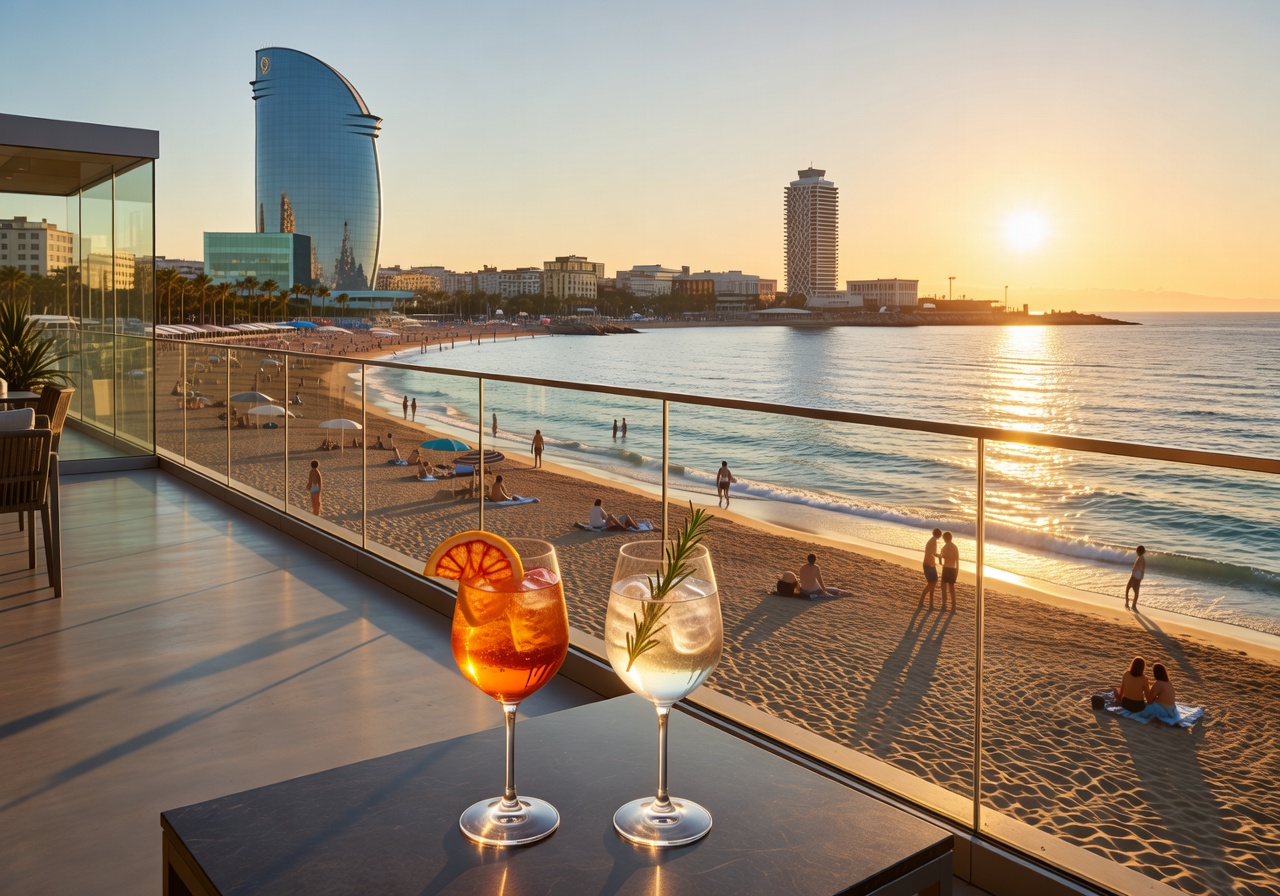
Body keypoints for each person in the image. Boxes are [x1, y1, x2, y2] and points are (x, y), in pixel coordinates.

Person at [920, 528, 942, 607]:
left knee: (933, 583)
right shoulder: (933, 542)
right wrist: (940, 555)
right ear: (939, 535)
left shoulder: (932, 540)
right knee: (931, 583)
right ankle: (922, 600)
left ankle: (931, 603)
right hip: (928, 564)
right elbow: (933, 553)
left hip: (931, 564)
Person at [939, 531, 959, 611]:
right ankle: (953, 606)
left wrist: (939, 556)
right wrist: (957, 570)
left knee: (943, 586)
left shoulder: (945, 547)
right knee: (951, 587)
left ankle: (944, 604)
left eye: (944, 538)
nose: (943, 539)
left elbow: (943, 558)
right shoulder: (955, 547)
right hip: (953, 568)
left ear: (946, 538)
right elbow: (957, 560)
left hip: (947, 568)